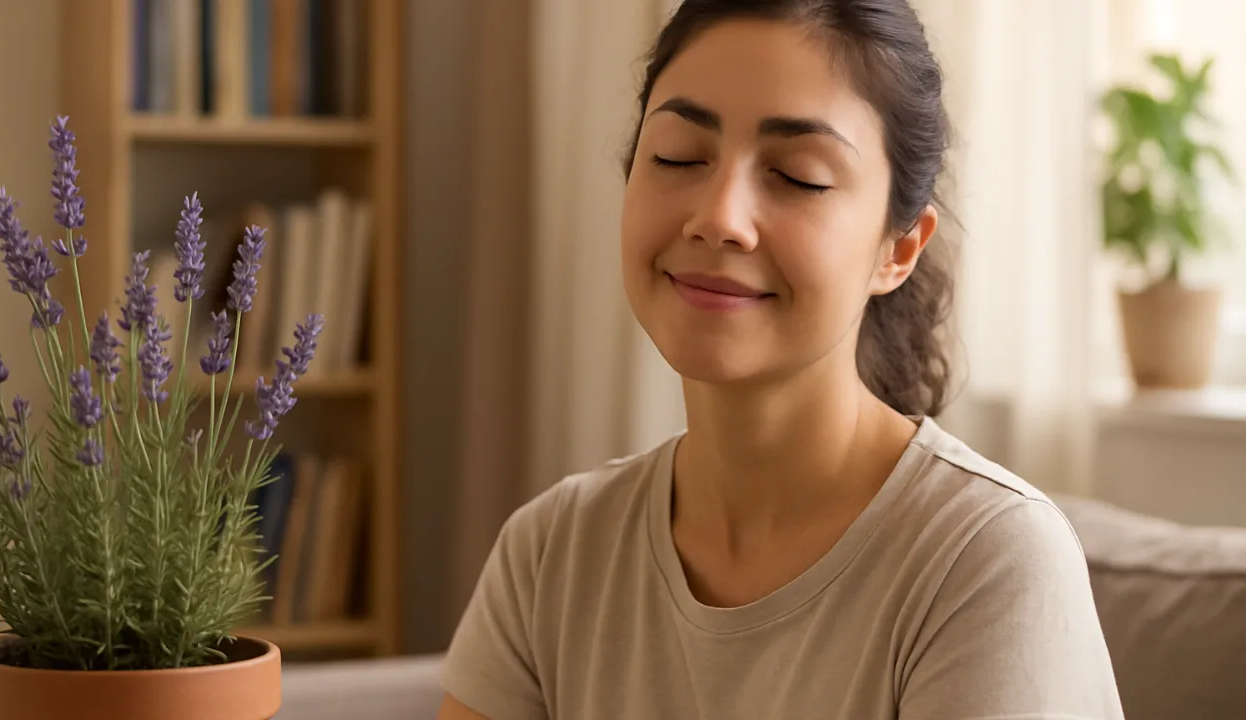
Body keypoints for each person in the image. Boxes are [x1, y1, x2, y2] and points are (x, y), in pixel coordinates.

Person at [437, 1, 1126, 718]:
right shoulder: (552, 552)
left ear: (899, 249)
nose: (719, 218)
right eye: (677, 156)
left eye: (798, 175)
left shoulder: (987, 562)